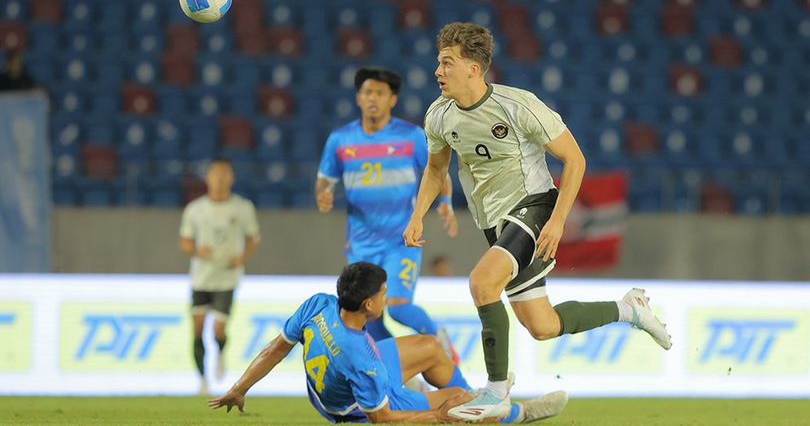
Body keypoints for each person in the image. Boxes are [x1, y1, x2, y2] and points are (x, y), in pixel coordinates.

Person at [403, 22, 672, 420]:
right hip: (495, 223)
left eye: (447, 63)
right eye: (438, 63)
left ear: (474, 69)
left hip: (536, 206)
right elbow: (435, 170)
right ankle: (629, 309)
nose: (437, 71)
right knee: (543, 325)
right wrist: (417, 216)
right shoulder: (439, 116)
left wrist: (559, 220)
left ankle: (496, 391)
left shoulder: (518, 105)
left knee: (481, 282)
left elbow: (575, 159)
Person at [208, 262, 568, 423]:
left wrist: (239, 388)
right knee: (461, 410)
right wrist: (436, 416)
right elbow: (381, 417)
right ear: (368, 304)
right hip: (354, 411)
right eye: (383, 293)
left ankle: (480, 396)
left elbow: (276, 348)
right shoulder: (360, 356)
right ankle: (520, 413)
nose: (386, 297)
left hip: (339, 382)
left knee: (429, 346)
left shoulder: (319, 304)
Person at [315, 67, 459, 346]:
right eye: (367, 92)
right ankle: (397, 371)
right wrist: (323, 194)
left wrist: (445, 202)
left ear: (392, 100)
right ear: (358, 98)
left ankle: (441, 344)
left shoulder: (411, 136)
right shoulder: (340, 140)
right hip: (361, 244)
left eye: (380, 93)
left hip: (402, 239)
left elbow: (437, 172)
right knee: (368, 315)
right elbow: (324, 181)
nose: (372, 98)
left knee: (398, 305)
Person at [179, 158, 260, 396]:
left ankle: (221, 353)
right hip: (201, 278)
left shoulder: (243, 208)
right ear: (208, 178)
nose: (220, 178)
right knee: (197, 328)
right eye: (216, 174)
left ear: (231, 178)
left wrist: (242, 257)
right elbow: (184, 241)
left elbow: (253, 237)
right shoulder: (195, 209)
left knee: (217, 330)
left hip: (227, 277)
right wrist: (196, 251)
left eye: (225, 174)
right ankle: (203, 380)